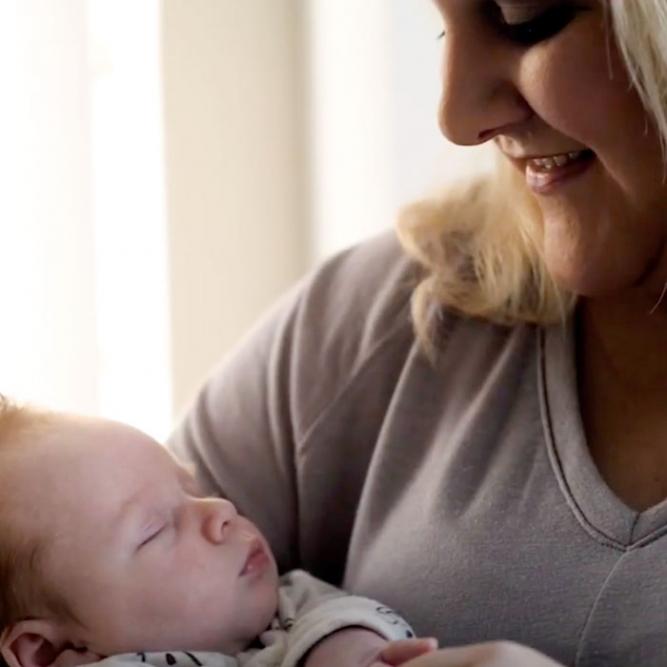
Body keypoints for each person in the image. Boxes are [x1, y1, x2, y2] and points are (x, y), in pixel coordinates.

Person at [166, 1, 667, 666]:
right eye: (440, 27)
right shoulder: (384, 316)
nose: (456, 118)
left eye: (525, 18)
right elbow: (65, 614)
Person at [0, 401, 438, 667]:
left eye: (194, 490)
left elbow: (339, 617)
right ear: (46, 653)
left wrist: (349, 653)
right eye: (155, 530)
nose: (221, 511)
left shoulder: (292, 606)